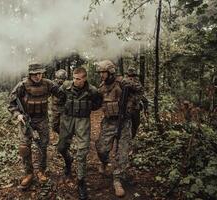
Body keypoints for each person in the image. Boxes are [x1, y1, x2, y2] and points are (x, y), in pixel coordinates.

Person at [8, 63, 63, 189]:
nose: (38, 76)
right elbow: (11, 102)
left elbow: (62, 94)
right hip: (26, 119)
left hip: (42, 119)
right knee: (24, 147)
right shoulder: (22, 85)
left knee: (42, 146)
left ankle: (41, 171)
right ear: (30, 74)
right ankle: (28, 173)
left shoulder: (48, 83)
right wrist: (17, 114)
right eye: (35, 74)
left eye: (40, 73)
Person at [95, 60, 143, 197]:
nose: (101, 75)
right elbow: (97, 102)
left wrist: (131, 85)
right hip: (109, 122)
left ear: (110, 72)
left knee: (122, 153)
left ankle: (117, 180)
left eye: (103, 72)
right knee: (101, 148)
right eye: (100, 73)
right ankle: (104, 162)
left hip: (125, 121)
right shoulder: (102, 87)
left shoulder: (123, 82)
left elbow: (139, 90)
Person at [57, 66, 103, 200]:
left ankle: (81, 181)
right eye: (74, 78)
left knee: (82, 151)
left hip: (83, 121)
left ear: (84, 78)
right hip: (67, 120)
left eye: (78, 79)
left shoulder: (92, 90)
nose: (75, 81)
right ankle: (68, 160)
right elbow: (59, 99)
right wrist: (59, 116)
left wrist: (88, 107)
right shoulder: (65, 86)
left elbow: (98, 103)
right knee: (61, 147)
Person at [125, 66, 148, 138]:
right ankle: (129, 138)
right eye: (130, 76)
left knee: (135, 124)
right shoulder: (124, 81)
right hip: (127, 107)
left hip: (134, 107)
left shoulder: (136, 82)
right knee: (129, 124)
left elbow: (141, 92)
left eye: (132, 76)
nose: (131, 78)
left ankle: (131, 138)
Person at [51, 69, 68, 134]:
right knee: (54, 125)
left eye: (62, 79)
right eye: (59, 78)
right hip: (55, 108)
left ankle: (63, 139)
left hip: (64, 107)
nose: (60, 80)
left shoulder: (67, 85)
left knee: (64, 125)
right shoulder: (53, 84)